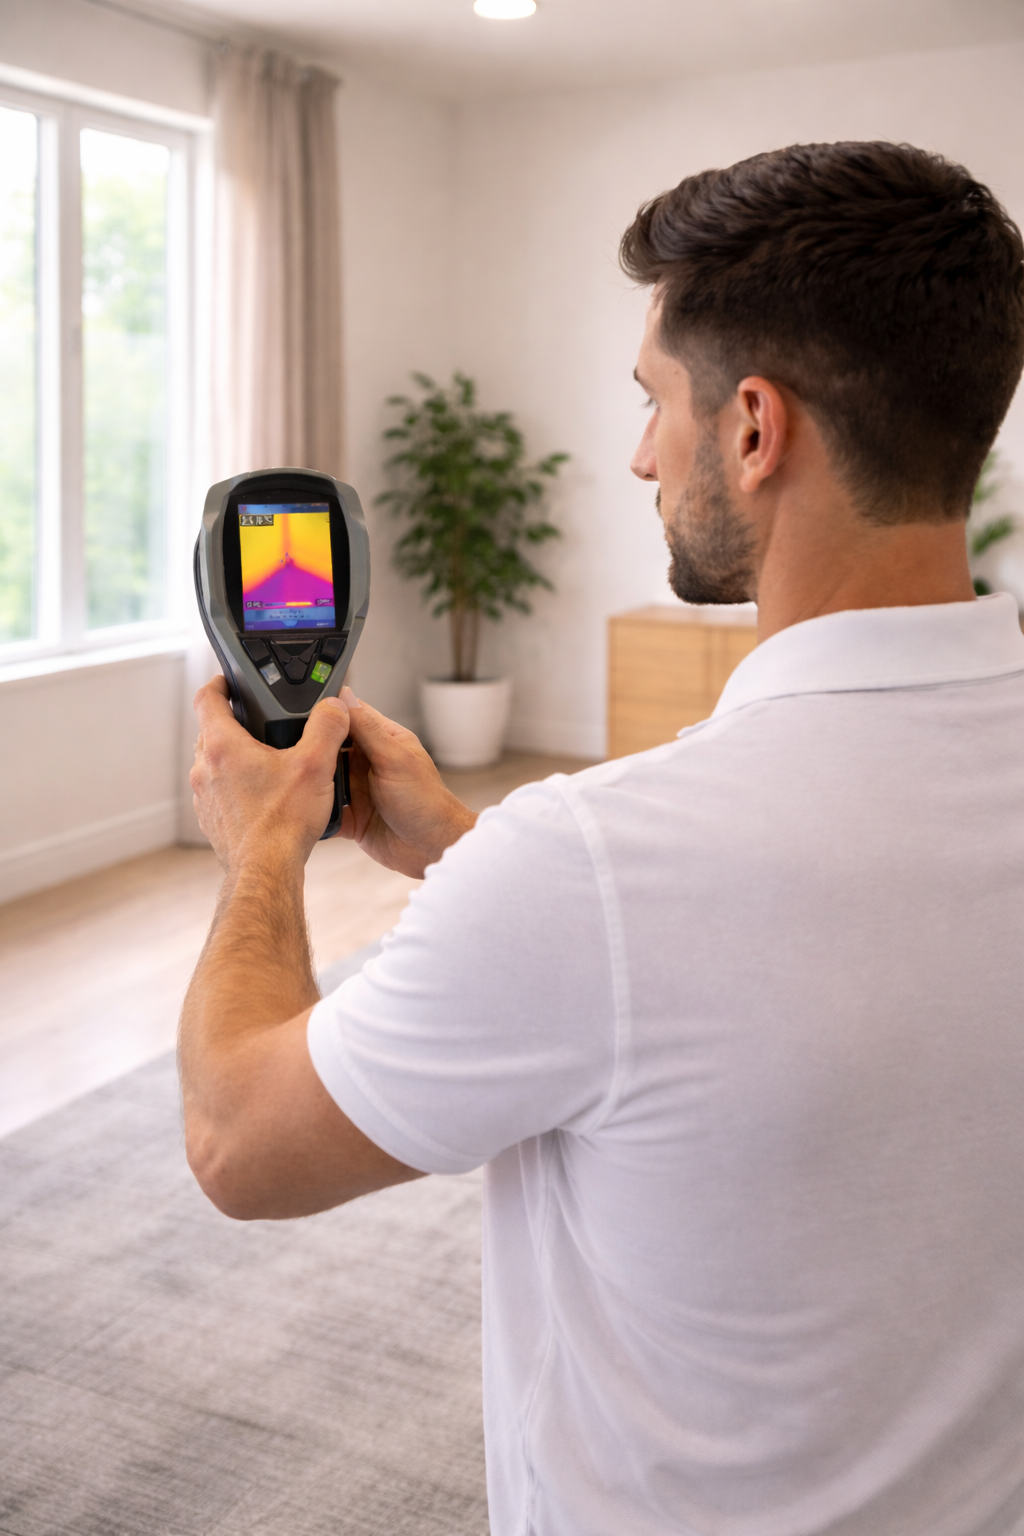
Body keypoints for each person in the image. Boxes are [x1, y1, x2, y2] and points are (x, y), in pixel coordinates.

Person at [181, 141, 1024, 1536]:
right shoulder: (587, 876)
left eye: (656, 404)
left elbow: (237, 1143)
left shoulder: (599, 863)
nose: (641, 452)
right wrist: (469, 850)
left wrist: (259, 848)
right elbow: (773, 977)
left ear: (756, 429)